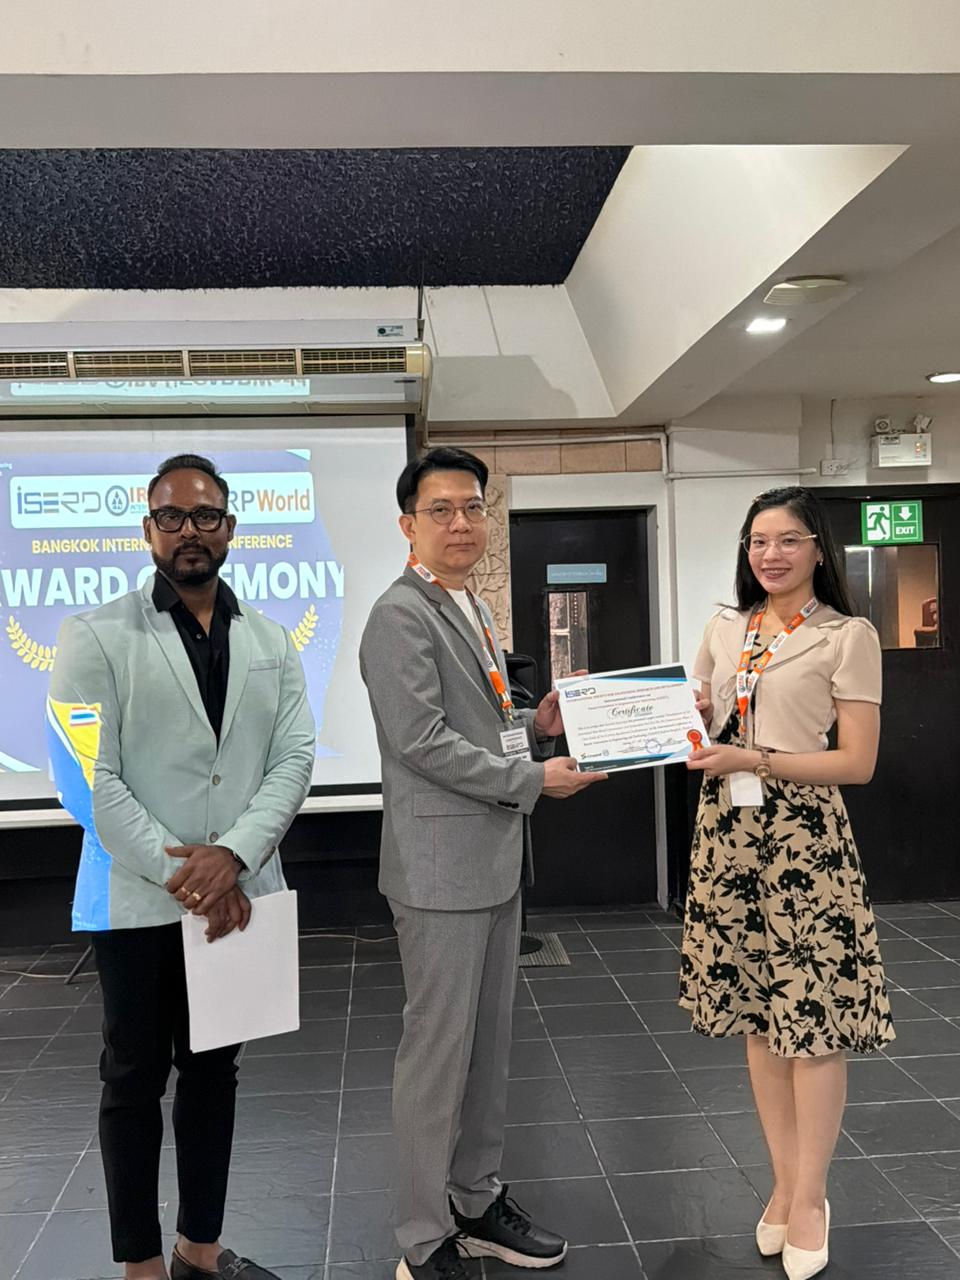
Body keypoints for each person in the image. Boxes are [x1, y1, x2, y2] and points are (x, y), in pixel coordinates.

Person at [47, 453, 316, 1280]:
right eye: (171, 517)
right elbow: (84, 777)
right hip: (136, 902)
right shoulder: (94, 635)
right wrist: (190, 875)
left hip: (240, 893)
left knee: (213, 1076)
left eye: (205, 516)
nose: (188, 531)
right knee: (133, 1081)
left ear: (230, 527)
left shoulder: (271, 639)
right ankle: (140, 1266)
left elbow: (294, 757)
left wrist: (232, 855)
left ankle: (200, 1248)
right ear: (148, 530)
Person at [359, 447, 606, 1280]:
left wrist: (536, 726)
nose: (461, 523)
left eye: (473, 507)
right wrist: (534, 778)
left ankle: (475, 1197)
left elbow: (481, 722)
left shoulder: (469, 606)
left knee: (487, 1051)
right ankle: (423, 1236)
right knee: (437, 1057)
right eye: (441, 510)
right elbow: (422, 743)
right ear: (408, 525)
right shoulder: (399, 615)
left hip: (491, 858)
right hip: (440, 870)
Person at [681, 485, 894, 1280]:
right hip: (727, 837)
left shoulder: (847, 635)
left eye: (788, 540)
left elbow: (857, 762)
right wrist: (674, 717)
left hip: (805, 839)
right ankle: (781, 1180)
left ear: (817, 549)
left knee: (814, 1019)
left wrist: (756, 759)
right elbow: (697, 720)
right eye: (758, 541)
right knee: (758, 1015)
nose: (771, 555)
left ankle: (811, 1197)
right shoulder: (724, 626)